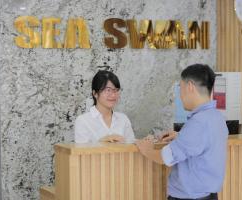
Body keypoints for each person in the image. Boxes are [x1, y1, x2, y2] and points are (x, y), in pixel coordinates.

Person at [136, 64, 228, 200]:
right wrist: (180, 136)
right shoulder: (216, 117)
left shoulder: (198, 123)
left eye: (180, 87)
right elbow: (203, 143)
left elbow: (166, 157)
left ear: (190, 86)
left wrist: (146, 149)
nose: (180, 95)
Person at [74, 70, 135, 143]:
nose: (113, 95)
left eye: (115, 90)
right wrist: (101, 142)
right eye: (108, 90)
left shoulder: (123, 119)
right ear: (95, 93)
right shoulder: (83, 121)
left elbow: (131, 148)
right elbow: (80, 152)